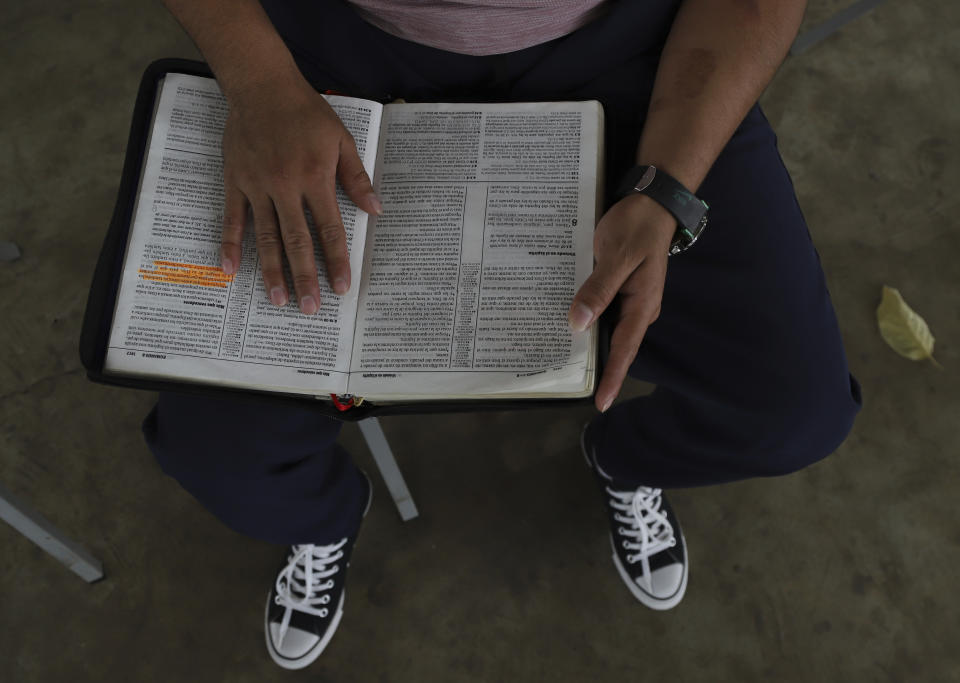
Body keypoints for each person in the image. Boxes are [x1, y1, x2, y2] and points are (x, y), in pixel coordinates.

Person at [151, 0, 863, 671]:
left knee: (794, 410)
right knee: (216, 449)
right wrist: (258, 81)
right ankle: (320, 514)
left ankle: (623, 457)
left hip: (640, 51)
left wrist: (669, 186)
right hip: (323, 53)